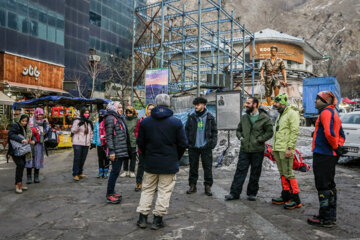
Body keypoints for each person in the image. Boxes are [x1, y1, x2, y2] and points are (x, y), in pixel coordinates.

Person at [136, 94, 187, 230]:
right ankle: (157, 220)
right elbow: (183, 144)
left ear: (156, 104)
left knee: (147, 189)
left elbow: (140, 142)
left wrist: (147, 155)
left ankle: (142, 218)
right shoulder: (176, 122)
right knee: (164, 191)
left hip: (151, 162)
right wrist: (176, 157)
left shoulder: (145, 122)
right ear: (169, 104)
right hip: (169, 163)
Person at [307, 91, 346, 227]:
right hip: (329, 155)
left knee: (323, 186)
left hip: (323, 154)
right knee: (330, 185)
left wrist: (335, 147)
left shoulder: (326, 113)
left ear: (325, 101)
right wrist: (338, 147)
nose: (315, 101)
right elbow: (340, 134)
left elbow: (330, 133)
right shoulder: (333, 113)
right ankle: (329, 215)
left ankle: (326, 218)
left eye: (317, 99)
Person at [225, 97, 273, 201]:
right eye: (246, 103)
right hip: (245, 150)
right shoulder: (244, 117)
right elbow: (238, 130)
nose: (246, 105)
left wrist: (260, 139)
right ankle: (234, 193)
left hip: (257, 150)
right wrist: (240, 137)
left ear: (255, 104)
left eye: (248, 103)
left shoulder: (264, 118)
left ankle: (252, 193)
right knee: (240, 171)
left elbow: (269, 132)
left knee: (255, 172)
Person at [271, 93, 301, 209]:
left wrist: (290, 148)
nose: (275, 104)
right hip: (278, 148)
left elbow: (294, 132)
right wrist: (274, 148)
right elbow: (278, 132)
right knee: (282, 173)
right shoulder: (281, 114)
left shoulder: (291, 114)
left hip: (285, 149)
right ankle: (286, 196)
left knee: (288, 173)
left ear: (283, 103)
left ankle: (295, 199)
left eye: (277, 102)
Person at [185, 97, 217, 196]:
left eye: (198, 105)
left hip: (206, 147)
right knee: (193, 167)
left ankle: (208, 186)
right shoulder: (191, 117)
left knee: (207, 167)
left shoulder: (210, 118)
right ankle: (192, 186)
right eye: (195, 105)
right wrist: (188, 143)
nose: (196, 107)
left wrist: (212, 144)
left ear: (203, 105)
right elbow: (186, 130)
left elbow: (214, 132)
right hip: (193, 147)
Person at [104, 101, 131, 204]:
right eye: (119, 107)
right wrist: (111, 151)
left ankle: (112, 191)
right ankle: (109, 194)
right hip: (115, 151)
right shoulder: (110, 118)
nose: (121, 109)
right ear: (113, 108)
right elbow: (109, 136)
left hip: (120, 150)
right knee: (114, 172)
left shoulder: (118, 118)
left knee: (116, 172)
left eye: (121, 107)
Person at [8, 115, 35, 193]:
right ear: (20, 120)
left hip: (23, 150)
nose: (24, 123)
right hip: (15, 150)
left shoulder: (27, 128)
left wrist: (33, 140)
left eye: (26, 121)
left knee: (22, 165)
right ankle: (18, 185)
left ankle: (20, 184)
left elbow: (32, 136)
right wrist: (21, 140)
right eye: (23, 121)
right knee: (20, 165)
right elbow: (11, 134)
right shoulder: (15, 126)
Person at [134, 103, 155, 192]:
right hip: (143, 147)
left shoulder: (157, 120)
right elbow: (136, 132)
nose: (151, 111)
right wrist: (141, 140)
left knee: (153, 167)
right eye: (149, 109)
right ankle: (139, 183)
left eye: (153, 109)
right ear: (147, 110)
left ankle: (153, 185)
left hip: (153, 148)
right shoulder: (142, 119)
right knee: (141, 166)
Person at [25, 108, 49, 184]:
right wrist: (33, 131)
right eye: (39, 114)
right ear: (36, 113)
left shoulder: (43, 121)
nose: (40, 116)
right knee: (30, 159)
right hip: (31, 143)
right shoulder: (30, 120)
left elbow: (46, 130)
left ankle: (36, 176)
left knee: (37, 159)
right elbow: (27, 129)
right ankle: (29, 177)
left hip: (39, 144)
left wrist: (46, 125)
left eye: (42, 114)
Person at [71, 107, 94, 181]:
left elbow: (91, 133)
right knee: (77, 158)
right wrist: (79, 125)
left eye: (88, 113)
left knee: (83, 158)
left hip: (86, 143)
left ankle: (80, 172)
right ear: (82, 113)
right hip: (77, 142)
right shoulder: (77, 120)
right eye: (85, 113)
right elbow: (73, 130)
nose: (87, 114)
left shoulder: (89, 122)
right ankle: (75, 173)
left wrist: (91, 141)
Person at [121, 106, 138, 178]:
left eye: (130, 113)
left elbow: (137, 130)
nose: (128, 114)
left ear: (133, 112)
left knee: (133, 157)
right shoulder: (124, 119)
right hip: (125, 140)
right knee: (125, 156)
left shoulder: (136, 120)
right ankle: (125, 170)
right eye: (127, 113)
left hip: (133, 140)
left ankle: (132, 171)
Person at [92, 109, 109, 178]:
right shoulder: (96, 124)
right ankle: (101, 171)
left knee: (107, 158)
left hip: (106, 144)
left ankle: (106, 172)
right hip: (99, 144)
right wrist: (93, 142)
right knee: (100, 158)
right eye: (100, 115)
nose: (101, 116)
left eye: (103, 115)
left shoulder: (107, 123)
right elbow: (95, 133)